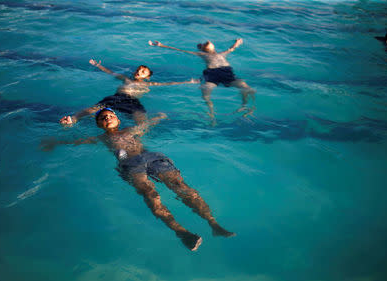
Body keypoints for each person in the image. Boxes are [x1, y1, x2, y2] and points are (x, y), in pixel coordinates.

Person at [45, 108, 235, 251]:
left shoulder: (130, 130)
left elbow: (146, 125)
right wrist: (56, 140)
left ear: (117, 119)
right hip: (130, 165)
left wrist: (159, 117)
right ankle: (181, 232)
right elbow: (78, 141)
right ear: (99, 125)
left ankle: (213, 224)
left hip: (152, 157)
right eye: (103, 118)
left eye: (110, 115)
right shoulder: (102, 138)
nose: (107, 118)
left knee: (182, 187)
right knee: (150, 193)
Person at [59, 60, 199, 125]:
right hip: (117, 98)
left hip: (132, 102)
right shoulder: (125, 78)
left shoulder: (149, 83)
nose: (139, 71)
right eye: (138, 69)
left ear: (147, 76)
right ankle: (74, 118)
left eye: (143, 71)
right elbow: (111, 72)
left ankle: (135, 137)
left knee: (141, 120)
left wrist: (189, 82)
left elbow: (169, 83)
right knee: (95, 108)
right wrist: (98, 65)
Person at [148, 39, 255, 124]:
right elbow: (182, 50)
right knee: (205, 92)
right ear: (203, 49)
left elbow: (231, 49)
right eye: (205, 43)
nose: (208, 41)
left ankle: (244, 106)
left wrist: (237, 43)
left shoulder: (222, 53)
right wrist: (162, 45)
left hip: (226, 73)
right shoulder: (202, 54)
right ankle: (211, 114)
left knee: (245, 86)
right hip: (212, 74)